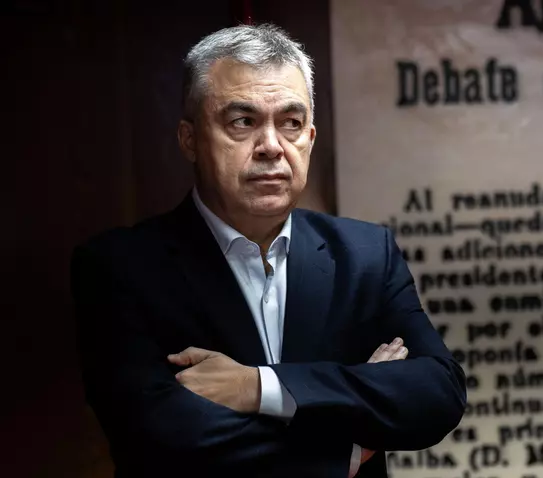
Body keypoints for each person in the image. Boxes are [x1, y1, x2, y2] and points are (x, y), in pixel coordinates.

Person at [70, 24, 466, 478]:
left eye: (291, 123)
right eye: (243, 122)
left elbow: (437, 393)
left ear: (310, 137)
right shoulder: (119, 268)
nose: (272, 147)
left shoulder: (365, 255)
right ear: (189, 139)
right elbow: (159, 438)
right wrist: (352, 443)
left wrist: (258, 386)